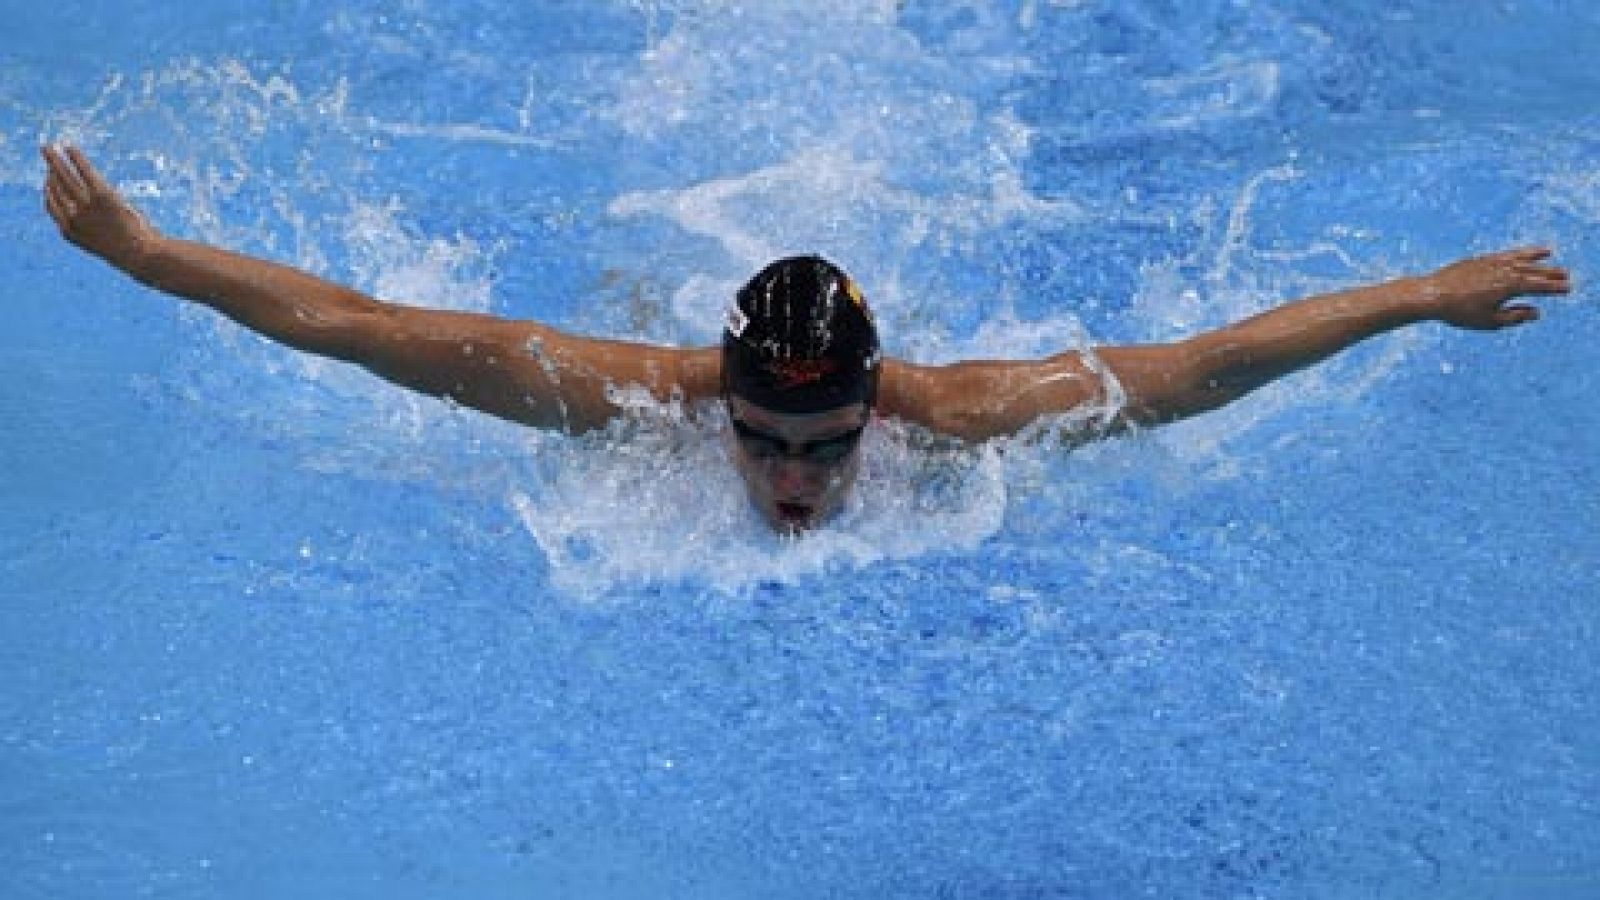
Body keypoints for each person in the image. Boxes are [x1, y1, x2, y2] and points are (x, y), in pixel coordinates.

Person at [41, 144, 1574, 533]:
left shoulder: (956, 414)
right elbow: (364, 329)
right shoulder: (631, 401)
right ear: (718, 396)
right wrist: (144, 252)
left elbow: (1199, 369)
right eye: (762, 443)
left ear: (870, 407)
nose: (790, 482)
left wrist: (1413, 296)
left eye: (819, 448)